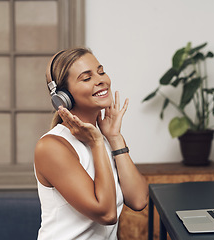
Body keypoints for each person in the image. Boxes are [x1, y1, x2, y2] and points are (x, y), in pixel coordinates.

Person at [34, 47, 148, 240]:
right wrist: (96, 143)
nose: (101, 80)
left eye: (101, 71)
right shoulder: (52, 147)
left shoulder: (104, 138)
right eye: (87, 78)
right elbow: (106, 214)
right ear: (63, 97)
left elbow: (138, 200)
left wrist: (114, 137)